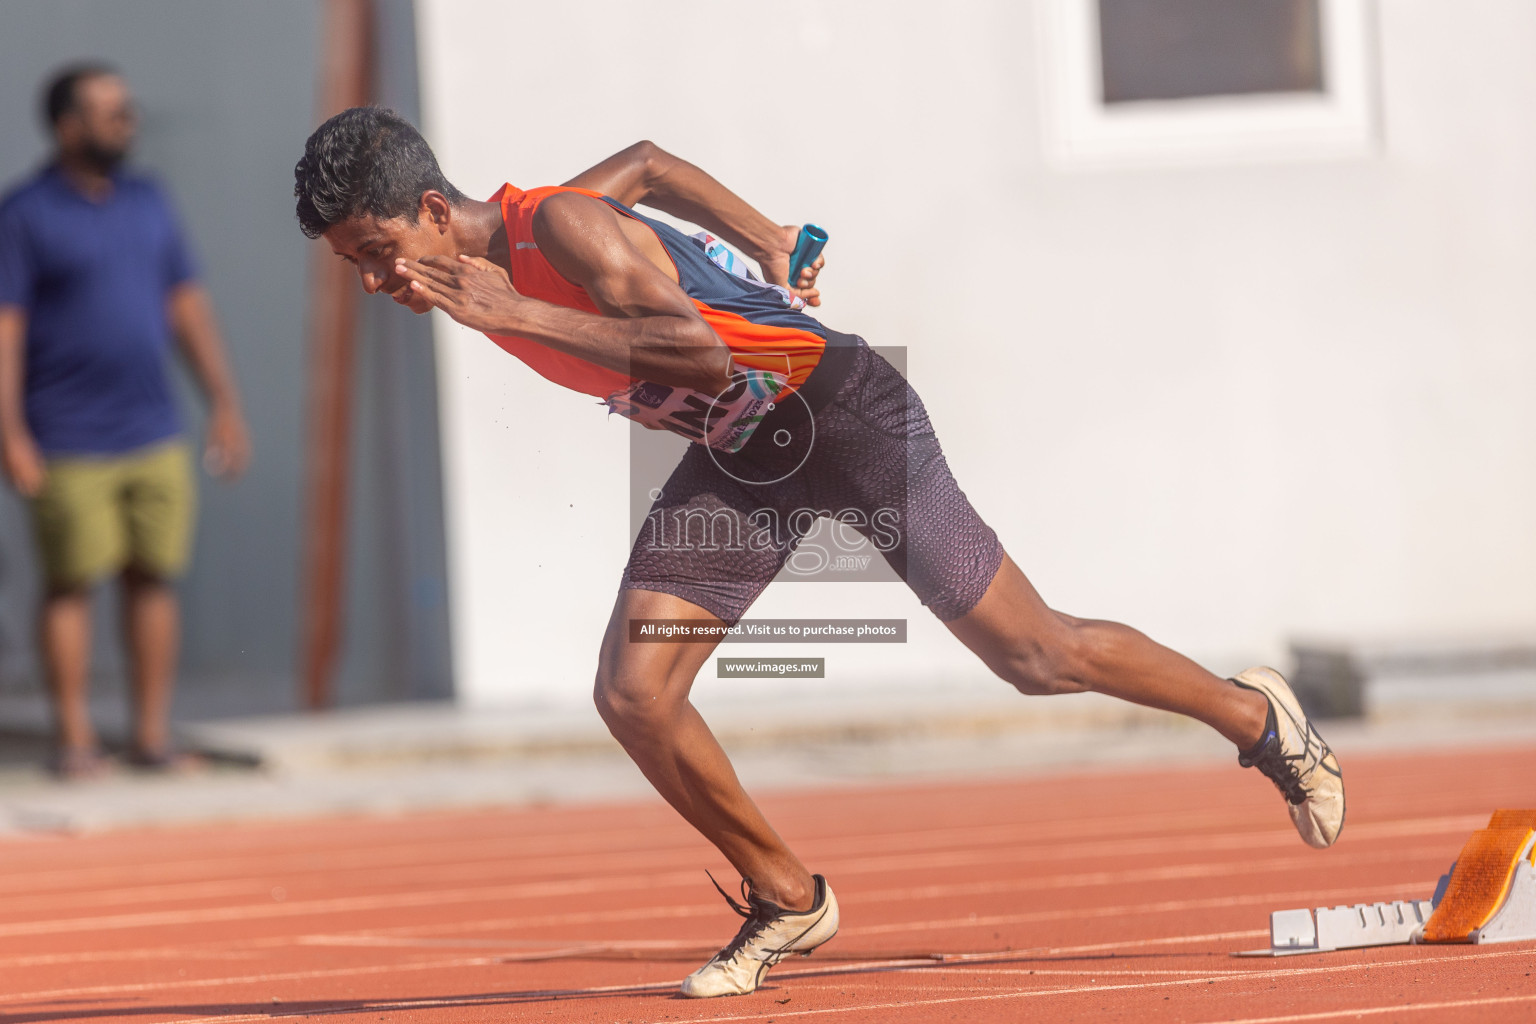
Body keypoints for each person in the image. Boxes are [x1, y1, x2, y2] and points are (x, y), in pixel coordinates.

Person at [291, 107, 1343, 998]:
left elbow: (698, 351)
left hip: (842, 413)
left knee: (1035, 656)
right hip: (744, 454)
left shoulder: (554, 233)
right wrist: (767, 233)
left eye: (377, 252)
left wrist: (515, 309)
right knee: (635, 693)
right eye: (353, 267)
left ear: (433, 211)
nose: (378, 282)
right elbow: (648, 163)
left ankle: (1258, 716)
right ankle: (788, 896)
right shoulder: (508, 246)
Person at [0, 64, 250, 779]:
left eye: (127, 108)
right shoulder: (24, 213)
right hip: (64, 436)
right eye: (108, 110)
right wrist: (11, 431)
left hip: (153, 429)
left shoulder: (150, 201)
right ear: (67, 125)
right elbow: (6, 329)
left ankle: (150, 738)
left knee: (153, 578)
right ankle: (75, 741)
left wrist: (224, 404)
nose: (125, 120)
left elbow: (187, 309)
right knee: (71, 583)